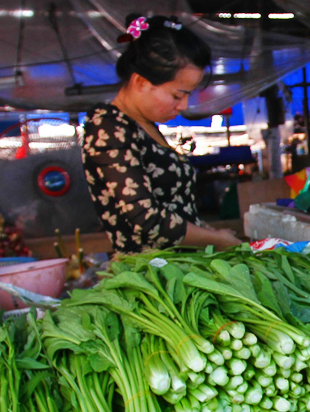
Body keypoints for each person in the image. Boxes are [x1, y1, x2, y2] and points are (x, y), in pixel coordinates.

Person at [83, 14, 243, 253]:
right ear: (140, 82)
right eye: (178, 95)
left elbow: (174, 210)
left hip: (177, 268)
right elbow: (146, 220)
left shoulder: (145, 125)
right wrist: (216, 240)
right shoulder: (108, 126)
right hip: (151, 276)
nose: (184, 105)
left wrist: (210, 233)